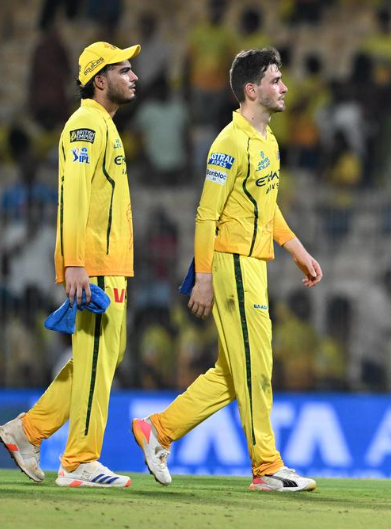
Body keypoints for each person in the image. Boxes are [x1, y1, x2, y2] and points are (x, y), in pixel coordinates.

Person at [131, 48, 323, 492]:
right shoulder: (229, 143)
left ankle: (158, 429)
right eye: (275, 80)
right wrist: (203, 277)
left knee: (234, 371)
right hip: (231, 263)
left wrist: (296, 249)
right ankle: (267, 466)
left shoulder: (268, 141)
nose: (285, 87)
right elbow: (206, 214)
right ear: (252, 90)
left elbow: (267, 209)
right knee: (256, 364)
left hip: (254, 265)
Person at [0, 42, 141, 487]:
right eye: (124, 70)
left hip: (109, 261)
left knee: (100, 358)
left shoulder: (103, 125)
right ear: (100, 80)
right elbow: (74, 195)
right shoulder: (85, 124)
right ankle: (78, 461)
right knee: (96, 359)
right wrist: (75, 263)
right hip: (94, 262)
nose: (134, 76)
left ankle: (28, 431)